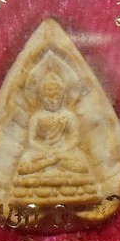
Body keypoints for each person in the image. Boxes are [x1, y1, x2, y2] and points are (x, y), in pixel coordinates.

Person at [13, 72, 99, 204]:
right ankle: (51, 165)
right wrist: (47, 151)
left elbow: (74, 139)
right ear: (41, 96)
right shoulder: (37, 117)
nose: (52, 97)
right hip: (42, 150)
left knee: (82, 163)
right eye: (48, 92)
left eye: (56, 92)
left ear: (62, 95)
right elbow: (32, 140)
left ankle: (50, 166)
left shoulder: (69, 116)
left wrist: (60, 151)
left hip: (64, 150)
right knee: (24, 163)